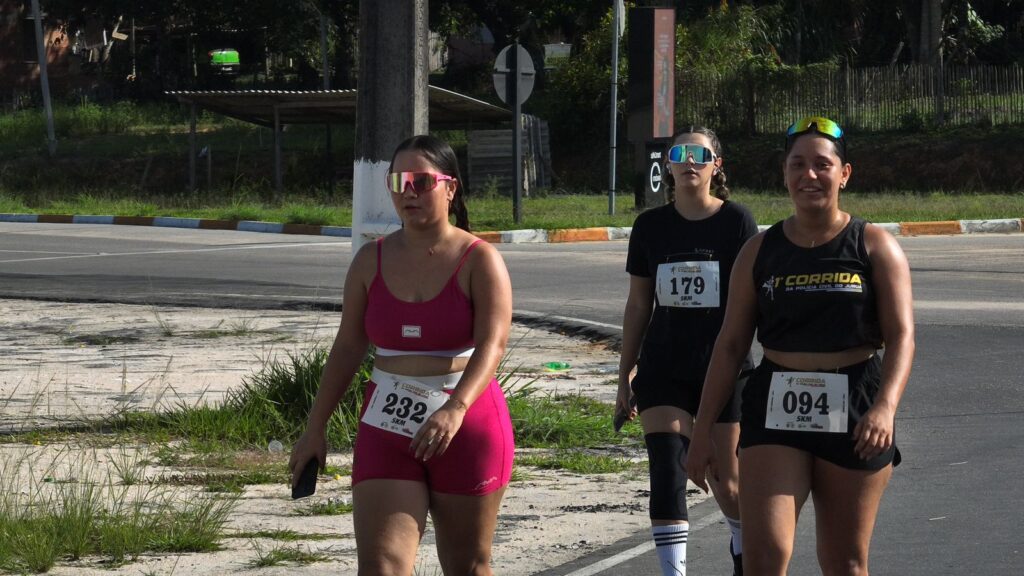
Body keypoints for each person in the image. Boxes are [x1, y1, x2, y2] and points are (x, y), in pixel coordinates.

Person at [685, 116, 915, 575]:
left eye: (821, 165)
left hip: (855, 406)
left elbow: (902, 336)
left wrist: (885, 408)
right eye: (797, 165)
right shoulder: (758, 250)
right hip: (776, 404)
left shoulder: (874, 245)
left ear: (844, 173)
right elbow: (730, 346)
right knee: (764, 557)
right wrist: (702, 431)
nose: (809, 175)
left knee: (844, 563)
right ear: (784, 172)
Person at [289, 135, 515, 576]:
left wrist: (455, 409)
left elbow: (493, 345)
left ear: (450, 187)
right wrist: (314, 427)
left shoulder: (479, 259)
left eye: (421, 180)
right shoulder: (369, 260)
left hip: (465, 425)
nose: (408, 191)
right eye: (398, 181)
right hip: (386, 427)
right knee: (380, 567)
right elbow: (348, 346)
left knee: (467, 566)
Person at [618, 126, 758, 576]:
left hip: (723, 366)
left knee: (726, 481)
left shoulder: (737, 222)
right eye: (679, 153)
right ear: (669, 165)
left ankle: (742, 546)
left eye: (700, 153)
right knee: (667, 469)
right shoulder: (650, 227)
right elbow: (639, 304)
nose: (689, 161)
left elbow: (748, 305)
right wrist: (624, 375)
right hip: (663, 366)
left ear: (716, 165)